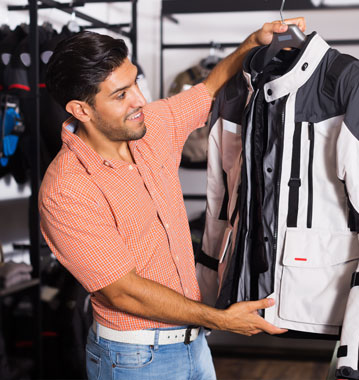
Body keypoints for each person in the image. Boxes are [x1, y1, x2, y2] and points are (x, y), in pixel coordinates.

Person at [39, 17, 306, 380]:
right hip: (134, 359)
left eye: (135, 82)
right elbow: (123, 292)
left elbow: (209, 87)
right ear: (81, 110)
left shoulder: (149, 128)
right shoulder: (66, 189)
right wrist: (221, 319)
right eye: (121, 95)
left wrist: (253, 43)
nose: (139, 100)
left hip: (194, 344)